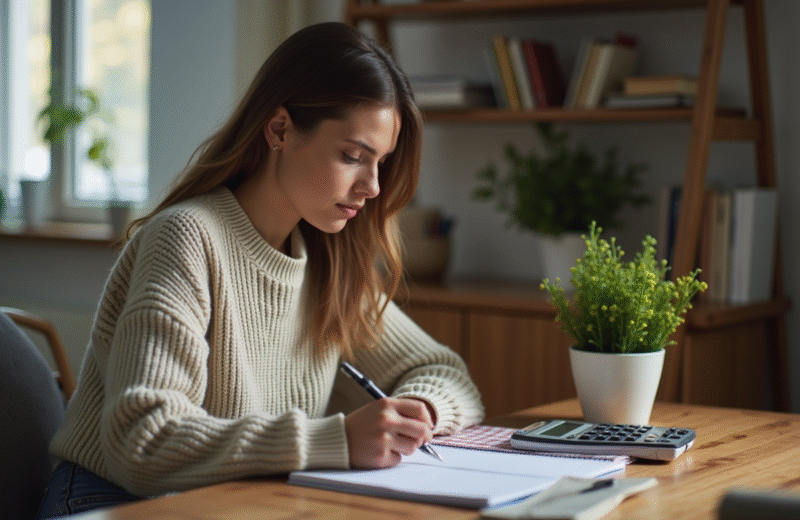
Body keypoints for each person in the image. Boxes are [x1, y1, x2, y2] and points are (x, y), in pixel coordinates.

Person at [36, 21, 484, 518]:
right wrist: (334, 439)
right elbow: (145, 439)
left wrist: (416, 413)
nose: (373, 187)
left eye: (380, 162)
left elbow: (445, 373)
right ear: (279, 129)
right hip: (109, 501)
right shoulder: (186, 238)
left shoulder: (327, 260)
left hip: (240, 500)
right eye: (353, 157)